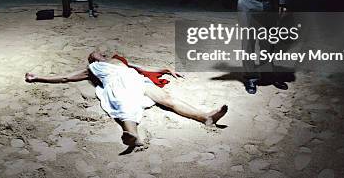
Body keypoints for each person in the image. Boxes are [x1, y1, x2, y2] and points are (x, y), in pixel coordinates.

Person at [25, 51, 228, 147]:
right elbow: (65, 77)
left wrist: (166, 69)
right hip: (117, 84)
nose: (101, 52)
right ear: (92, 58)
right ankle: (133, 136)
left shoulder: (119, 60)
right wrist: (38, 78)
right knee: (125, 104)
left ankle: (206, 116)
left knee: (167, 98)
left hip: (135, 79)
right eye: (96, 53)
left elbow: (141, 68)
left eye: (101, 51)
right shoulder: (93, 69)